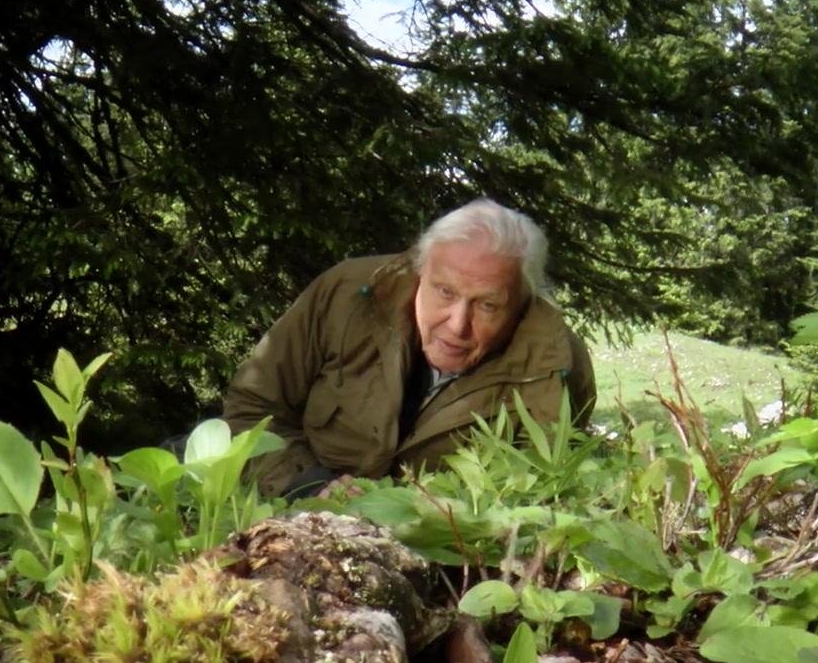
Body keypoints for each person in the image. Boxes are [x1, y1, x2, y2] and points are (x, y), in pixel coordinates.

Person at [222, 198, 597, 499]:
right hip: (295, 513)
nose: (457, 324)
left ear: (522, 303)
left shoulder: (556, 365)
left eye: (487, 305)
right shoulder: (345, 296)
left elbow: (541, 496)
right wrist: (306, 483)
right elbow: (252, 408)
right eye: (444, 292)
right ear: (421, 271)